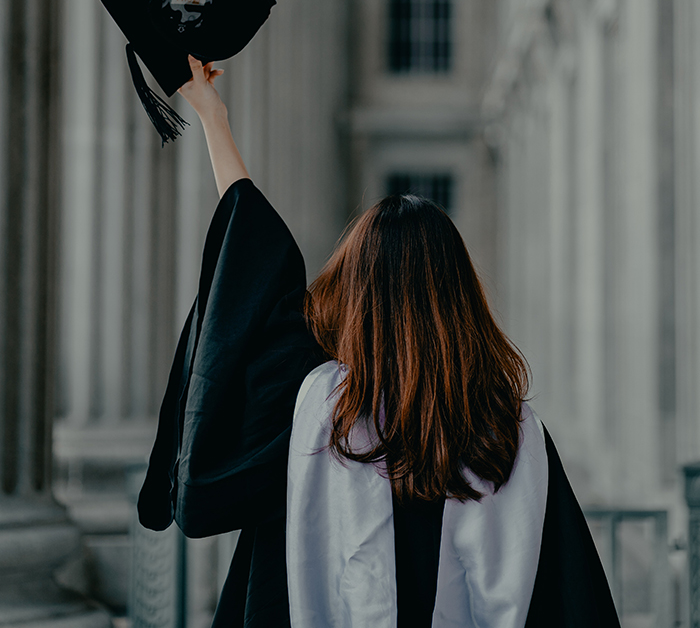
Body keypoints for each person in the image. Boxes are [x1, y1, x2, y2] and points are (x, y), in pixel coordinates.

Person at [137, 55, 621, 627]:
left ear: (355, 293)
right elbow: (572, 600)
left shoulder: (316, 413)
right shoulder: (509, 430)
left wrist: (214, 117)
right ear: (460, 295)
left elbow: (255, 267)